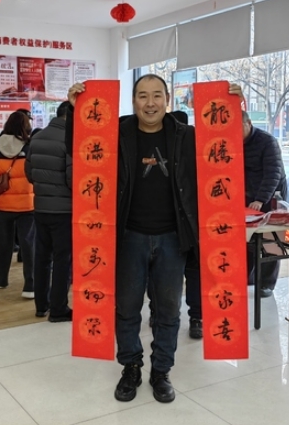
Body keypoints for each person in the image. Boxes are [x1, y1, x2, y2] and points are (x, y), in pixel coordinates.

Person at [67, 76, 243, 404]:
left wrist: (233, 106)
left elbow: (226, 152)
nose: (150, 103)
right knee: (127, 309)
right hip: (128, 237)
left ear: (167, 100)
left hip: (173, 239)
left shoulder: (187, 136)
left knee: (169, 311)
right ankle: (131, 366)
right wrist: (75, 110)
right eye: (143, 96)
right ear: (133, 100)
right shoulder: (116, 134)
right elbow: (77, 151)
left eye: (157, 96)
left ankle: (161, 370)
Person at [148, 110, 202, 340]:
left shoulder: (193, 148)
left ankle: (193, 316)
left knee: (188, 272)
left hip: (189, 224)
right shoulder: (161, 150)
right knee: (161, 272)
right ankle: (185, 316)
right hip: (172, 226)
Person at [25, 101, 73, 322]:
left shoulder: (36, 138)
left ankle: (41, 305)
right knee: (63, 259)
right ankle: (58, 308)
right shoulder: (69, 140)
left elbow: (29, 173)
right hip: (64, 211)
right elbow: (72, 179)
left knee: (42, 257)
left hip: (40, 208)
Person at [0, 111, 35, 298]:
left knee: (2, 243)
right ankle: (30, 286)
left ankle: (0, 280)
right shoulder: (30, 148)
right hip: (28, 205)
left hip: (2, 204)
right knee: (29, 244)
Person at [242, 111, 288, 298]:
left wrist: (261, 199)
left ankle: (267, 284)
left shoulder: (267, 142)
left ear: (249, 123)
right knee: (248, 239)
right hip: (247, 196)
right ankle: (249, 277)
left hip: (272, 194)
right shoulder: (232, 142)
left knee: (271, 240)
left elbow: (273, 174)